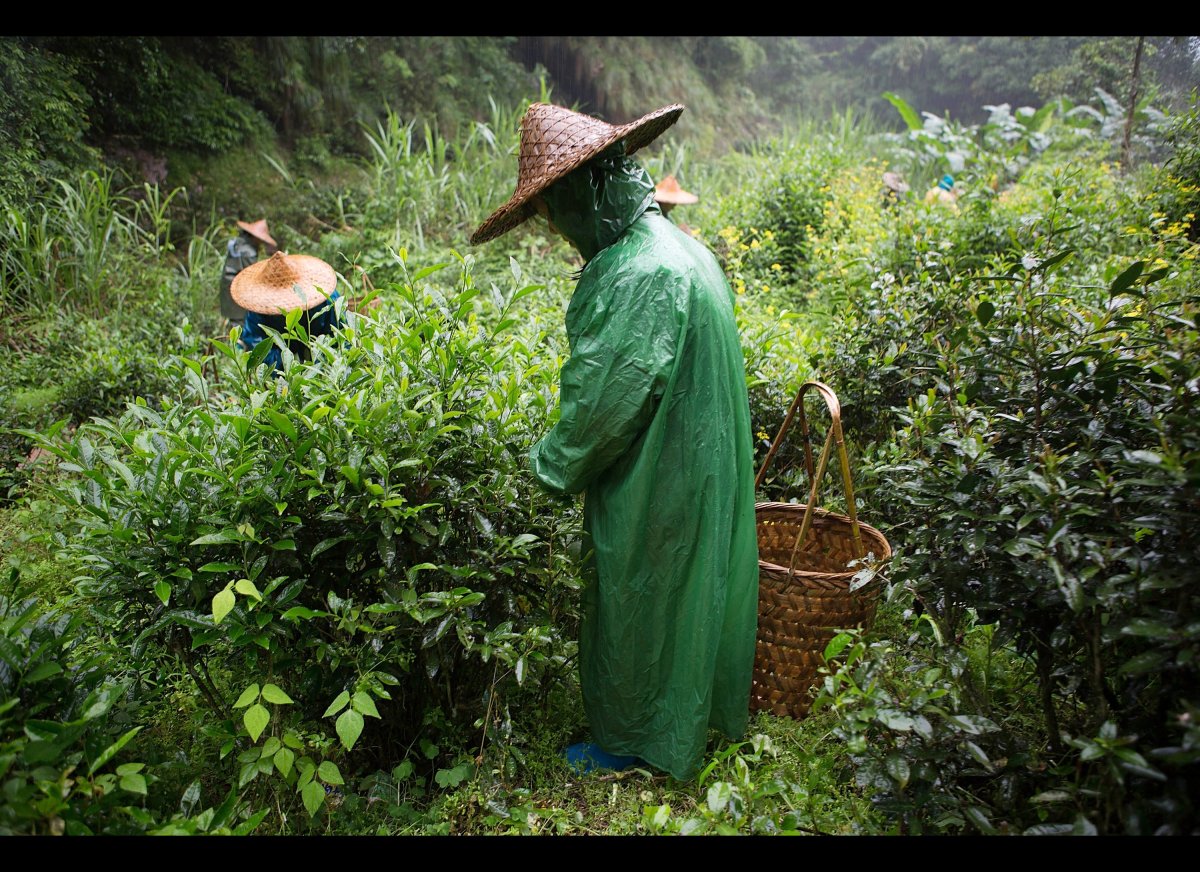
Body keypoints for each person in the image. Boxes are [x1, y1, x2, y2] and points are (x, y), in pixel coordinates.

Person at [470, 102, 759, 781]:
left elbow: (602, 408)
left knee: (643, 594)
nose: (555, 227)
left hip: (664, 471)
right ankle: (686, 717)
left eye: (552, 209)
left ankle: (633, 740)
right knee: (689, 595)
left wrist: (541, 468)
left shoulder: (638, 270)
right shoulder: (681, 246)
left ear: (585, 189)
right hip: (700, 458)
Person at [230, 251, 343, 372]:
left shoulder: (327, 300)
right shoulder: (259, 311)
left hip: (319, 343)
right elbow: (257, 344)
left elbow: (339, 339)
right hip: (282, 350)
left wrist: (322, 368)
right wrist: (285, 370)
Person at [220, 218, 278, 328]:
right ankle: (236, 343)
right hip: (236, 285)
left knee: (233, 318)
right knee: (239, 320)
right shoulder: (249, 252)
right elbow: (251, 274)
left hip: (227, 281)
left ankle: (231, 340)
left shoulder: (239, 242)